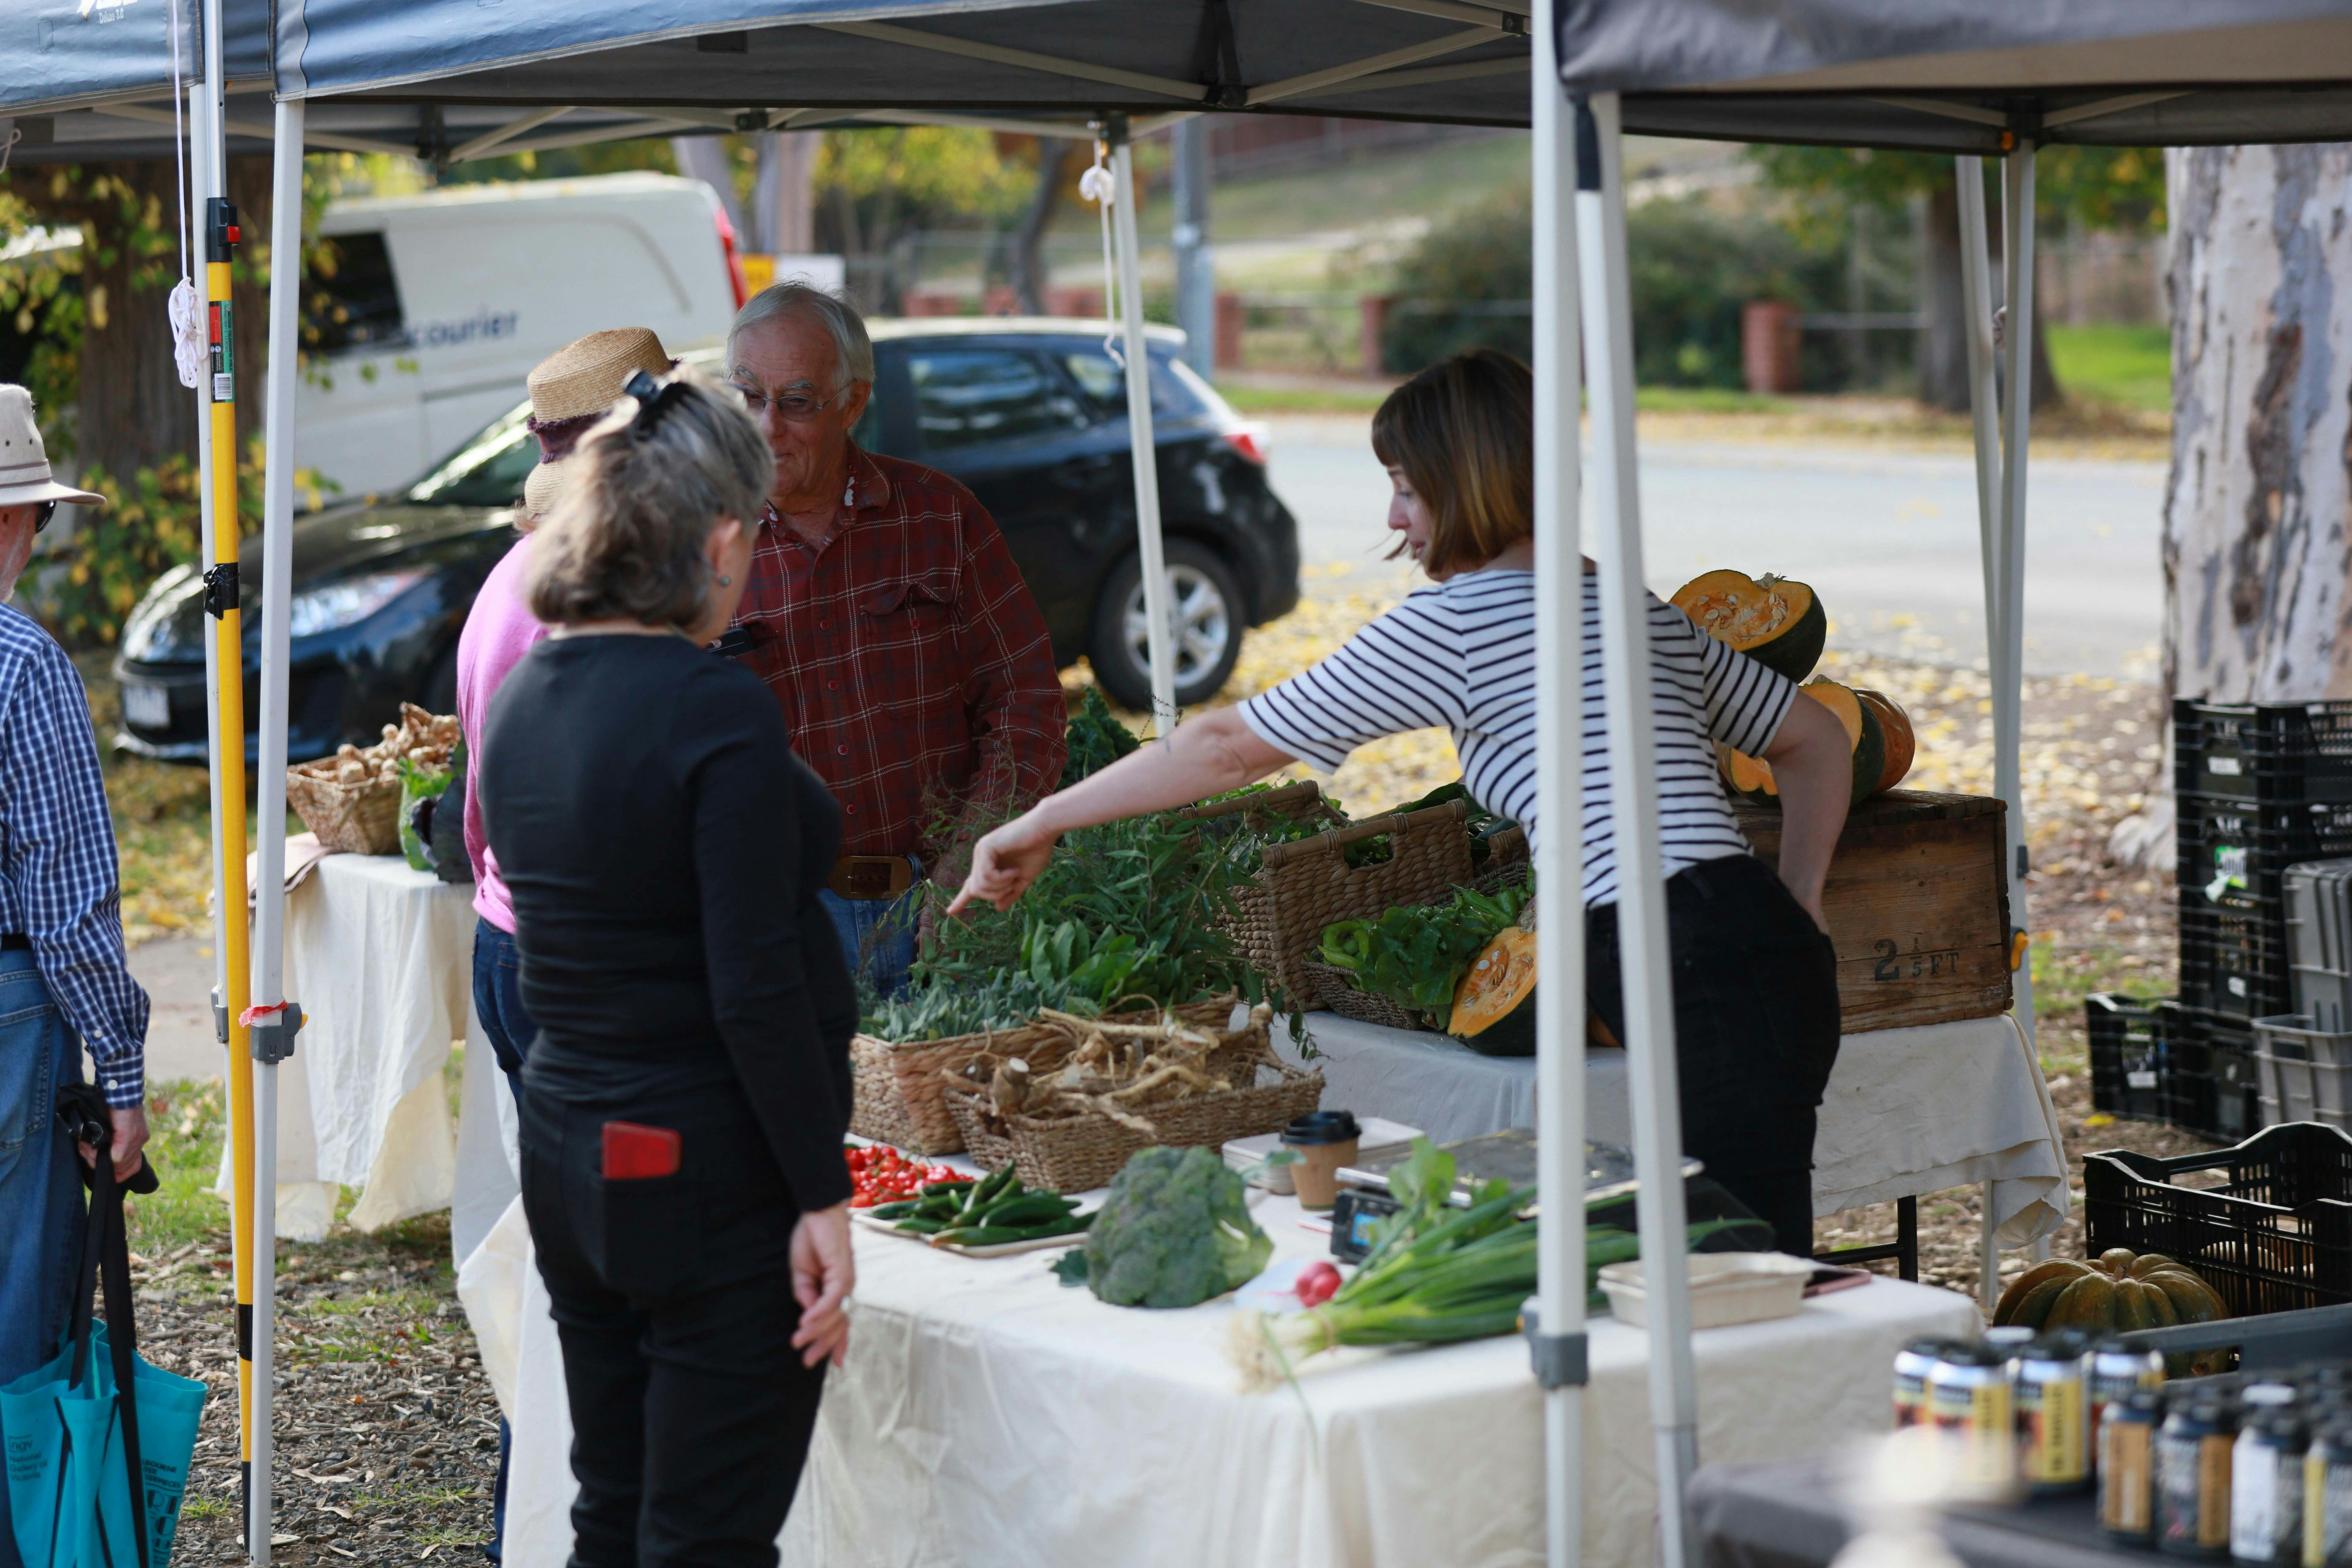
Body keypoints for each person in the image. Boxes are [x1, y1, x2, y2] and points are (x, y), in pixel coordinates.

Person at [952, 349, 1852, 1257]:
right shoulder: (1628, 605)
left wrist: (1042, 820)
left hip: (1682, 952)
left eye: (1408, 490)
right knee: (1737, 1258)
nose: (1394, 518)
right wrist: (1800, 901)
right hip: (1744, 944)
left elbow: (1225, 746)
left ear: (1473, 486)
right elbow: (1816, 740)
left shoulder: (1462, 622)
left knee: (1747, 1274)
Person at [479, 366, 855, 1568]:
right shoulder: (713, 709)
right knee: (705, 1537)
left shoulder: (528, 693)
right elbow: (752, 983)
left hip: (572, 1147)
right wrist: (822, 1192)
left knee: (616, 1505)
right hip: (696, 1167)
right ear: (721, 539)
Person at [455, 326, 673, 1566]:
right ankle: (582, 1520)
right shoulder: (579, 604)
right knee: (620, 1278)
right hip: (580, 977)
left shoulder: (509, 577)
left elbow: (479, 815)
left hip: (519, 947)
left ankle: (544, 1515)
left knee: (582, 1268)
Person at [723, 281, 1065, 996]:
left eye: (796, 402)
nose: (766, 427)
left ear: (853, 403)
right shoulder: (701, 545)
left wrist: (973, 860)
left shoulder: (940, 519)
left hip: (945, 905)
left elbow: (1026, 702)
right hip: (780, 929)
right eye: (748, 396)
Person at [0, 386, 150, 1568]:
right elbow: (68, 906)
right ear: (15, 524)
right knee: (15, 1309)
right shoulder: (24, 669)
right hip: (7, 1015)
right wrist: (129, 1070)